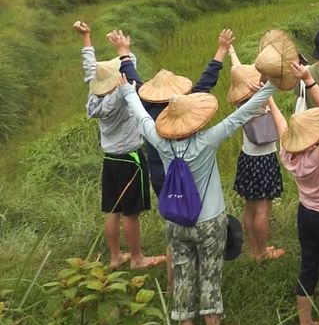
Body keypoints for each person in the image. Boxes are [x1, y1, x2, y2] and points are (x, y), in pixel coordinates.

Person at [121, 67, 278, 325]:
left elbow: (143, 116)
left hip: (176, 221)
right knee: (209, 273)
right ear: (195, 121)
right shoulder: (206, 141)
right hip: (209, 221)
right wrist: (270, 87)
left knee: (182, 273)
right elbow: (240, 115)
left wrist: (126, 91)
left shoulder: (160, 142)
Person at [74, 22, 165, 270]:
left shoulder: (95, 96)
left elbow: (90, 69)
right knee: (131, 212)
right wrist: (123, 50)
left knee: (113, 209)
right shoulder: (124, 92)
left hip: (110, 158)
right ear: (117, 80)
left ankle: (116, 256)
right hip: (130, 157)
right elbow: (130, 66)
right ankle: (137, 258)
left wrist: (86, 38)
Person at [268, 62, 319, 325]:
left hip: (306, 214)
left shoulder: (287, 155)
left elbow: (280, 123)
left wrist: (270, 99)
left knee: (308, 265)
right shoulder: (316, 158)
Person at [139, 28, 234, 193]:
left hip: (159, 177)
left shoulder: (144, 112)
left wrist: (124, 55)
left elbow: (133, 82)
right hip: (187, 175)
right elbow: (204, 85)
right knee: (192, 212)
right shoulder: (184, 109)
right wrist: (222, 50)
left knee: (170, 213)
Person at [228, 47, 285, 261]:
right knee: (263, 209)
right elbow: (269, 77)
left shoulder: (241, 101)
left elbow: (237, 69)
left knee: (250, 205)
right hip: (264, 159)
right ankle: (261, 253)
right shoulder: (259, 99)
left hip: (247, 157)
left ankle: (253, 249)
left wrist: (232, 52)